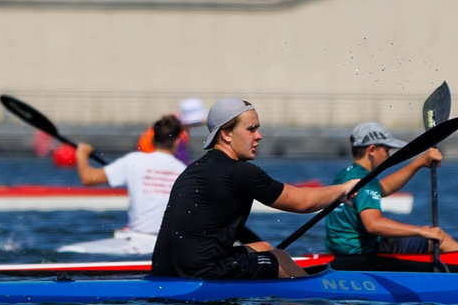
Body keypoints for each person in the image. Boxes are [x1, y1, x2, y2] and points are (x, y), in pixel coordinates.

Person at [147, 98, 362, 281]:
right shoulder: (240, 172)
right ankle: (314, 300)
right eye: (251, 129)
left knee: (265, 248)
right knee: (280, 259)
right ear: (226, 134)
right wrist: (342, 189)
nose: (259, 136)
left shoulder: (192, 170)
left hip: (164, 270)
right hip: (201, 273)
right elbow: (302, 202)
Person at [324, 122, 458, 267]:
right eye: (386, 150)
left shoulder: (345, 176)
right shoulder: (366, 182)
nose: (388, 155)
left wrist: (419, 163)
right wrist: (421, 231)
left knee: (426, 234)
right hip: (364, 253)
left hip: (339, 252)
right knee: (439, 237)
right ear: (372, 150)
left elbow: (383, 188)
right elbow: (373, 225)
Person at [70, 114, 185, 255]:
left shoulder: (134, 160)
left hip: (136, 237)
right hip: (168, 243)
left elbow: (88, 178)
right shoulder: (184, 170)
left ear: (152, 138)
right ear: (177, 141)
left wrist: (82, 154)